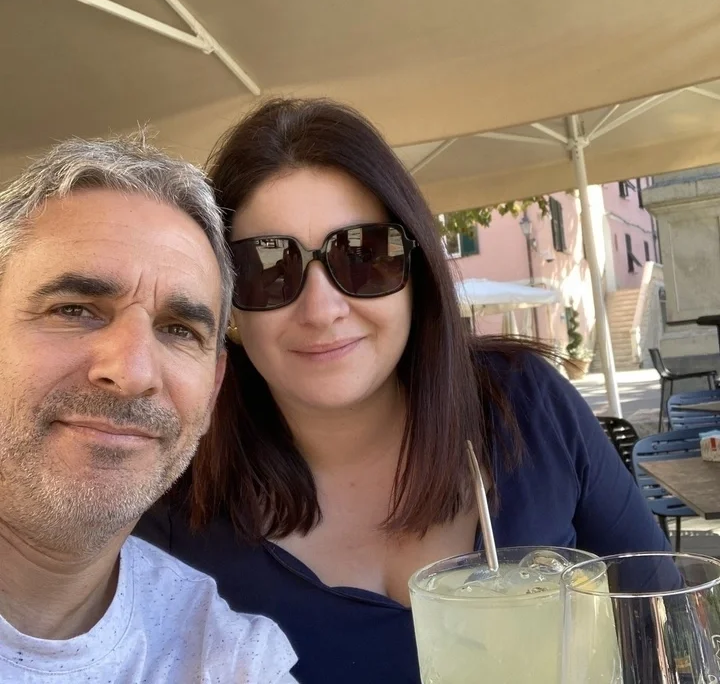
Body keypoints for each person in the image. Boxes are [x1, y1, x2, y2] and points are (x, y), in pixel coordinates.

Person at [135, 98, 670, 684]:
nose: (322, 309)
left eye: (362, 255)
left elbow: (662, 634)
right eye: (269, 269)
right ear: (228, 305)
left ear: (415, 269)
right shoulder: (173, 511)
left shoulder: (524, 405)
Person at [0, 135, 297, 683]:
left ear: (213, 387)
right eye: (75, 309)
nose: (134, 372)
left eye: (179, 330)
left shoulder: (228, 659)